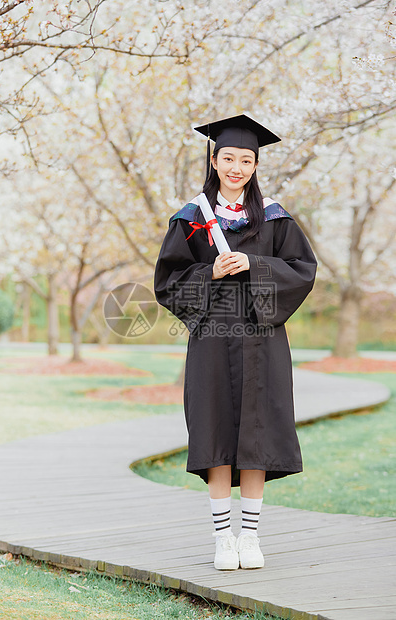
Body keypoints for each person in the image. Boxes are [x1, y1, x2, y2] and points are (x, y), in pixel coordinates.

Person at [154, 113, 317, 571]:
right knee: (217, 432)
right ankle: (223, 538)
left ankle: (251, 536)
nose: (237, 167)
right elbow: (168, 284)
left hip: (263, 342)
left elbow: (303, 271)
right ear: (214, 158)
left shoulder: (275, 218)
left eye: (247, 159)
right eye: (229, 158)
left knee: (257, 433)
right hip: (212, 340)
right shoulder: (191, 219)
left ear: (256, 164)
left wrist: (254, 265)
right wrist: (211, 272)